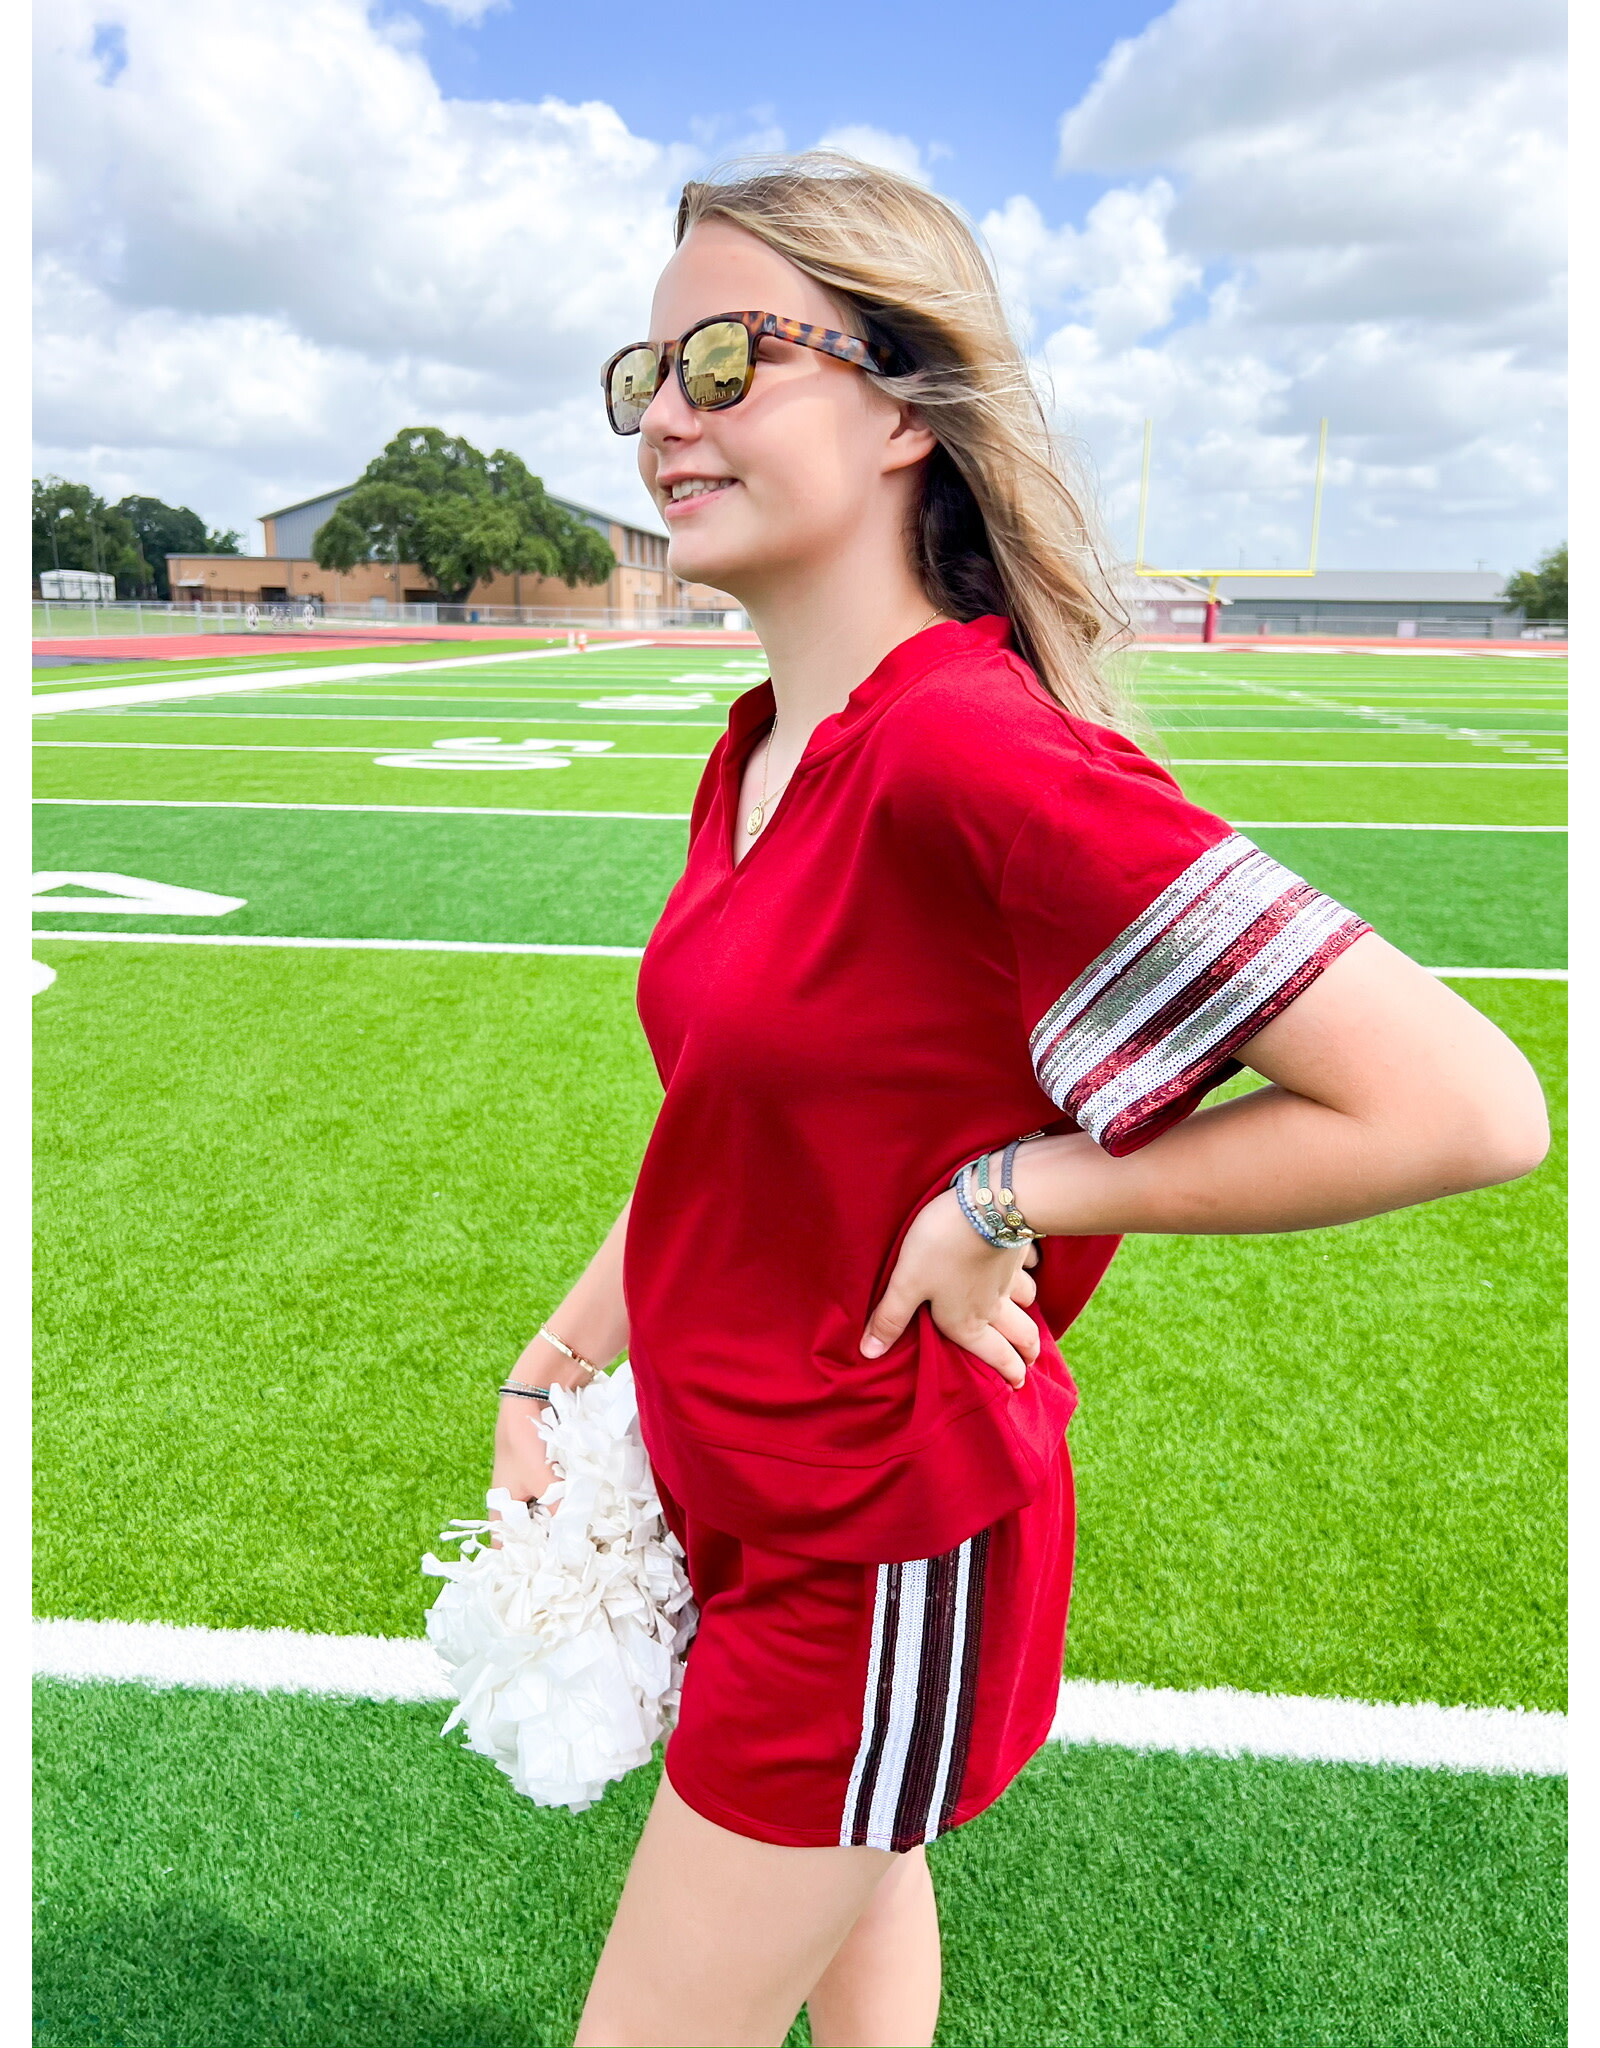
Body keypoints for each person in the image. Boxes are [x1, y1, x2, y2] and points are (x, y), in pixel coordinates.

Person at [491, 154, 1549, 2048]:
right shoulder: (766, 743)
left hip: (875, 1536)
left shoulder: (971, 754)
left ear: (904, 404)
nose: (665, 418)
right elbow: (734, 1147)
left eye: (728, 361)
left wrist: (1014, 1194)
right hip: (741, 1497)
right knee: (863, 1918)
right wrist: (558, 1367)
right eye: (641, 376)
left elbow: (1465, 1103)